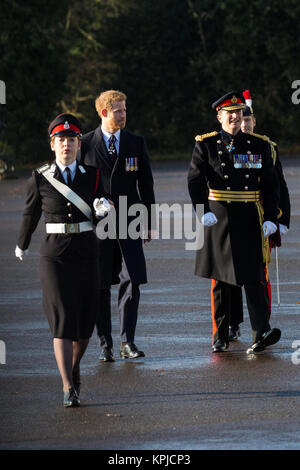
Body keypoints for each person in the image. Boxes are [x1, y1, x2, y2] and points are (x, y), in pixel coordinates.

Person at [15, 113, 108, 407]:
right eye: (60, 140)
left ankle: (72, 367)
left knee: (86, 325)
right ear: (52, 145)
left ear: (79, 144)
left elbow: (101, 209)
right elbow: (30, 214)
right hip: (54, 256)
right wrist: (22, 244)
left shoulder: (92, 175)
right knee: (63, 320)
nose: (66, 145)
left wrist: (104, 209)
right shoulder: (40, 177)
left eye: (71, 140)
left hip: (85, 252)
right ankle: (68, 386)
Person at [188, 90, 281, 353]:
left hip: (249, 213)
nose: (235, 118)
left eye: (238, 113)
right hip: (219, 215)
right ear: (219, 117)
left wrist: (272, 217)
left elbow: (271, 185)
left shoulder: (258, 144)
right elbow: (195, 180)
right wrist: (201, 210)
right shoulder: (206, 144)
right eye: (229, 114)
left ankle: (260, 330)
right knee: (222, 278)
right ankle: (220, 333)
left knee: (254, 275)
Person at [79, 90, 156, 361]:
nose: (123, 115)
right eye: (118, 111)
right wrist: (92, 205)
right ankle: (105, 345)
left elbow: (146, 183)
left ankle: (127, 342)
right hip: (97, 224)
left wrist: (148, 221)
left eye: (124, 110)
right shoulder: (85, 144)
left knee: (132, 280)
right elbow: (77, 187)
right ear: (104, 113)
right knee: (100, 284)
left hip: (130, 220)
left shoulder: (136, 142)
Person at [228, 90, 291, 340]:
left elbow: (278, 185)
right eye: (240, 119)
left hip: (260, 216)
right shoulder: (227, 144)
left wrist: (280, 220)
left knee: (259, 273)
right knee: (230, 275)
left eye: (248, 120)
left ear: (254, 122)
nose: (243, 124)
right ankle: (232, 323)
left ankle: (262, 323)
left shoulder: (267, 147)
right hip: (234, 216)